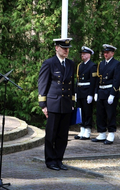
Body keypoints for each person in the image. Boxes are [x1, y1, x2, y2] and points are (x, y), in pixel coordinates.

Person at [38, 38, 75, 171]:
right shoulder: (49, 63)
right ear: (56, 48)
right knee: (51, 134)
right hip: (53, 103)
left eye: (67, 48)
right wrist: (43, 104)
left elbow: (72, 85)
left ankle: (59, 159)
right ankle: (50, 161)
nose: (66, 51)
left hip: (65, 104)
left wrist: (72, 102)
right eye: (63, 48)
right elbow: (42, 83)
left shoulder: (70, 64)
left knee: (63, 135)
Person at [92, 44, 120, 145]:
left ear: (112, 53)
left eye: (107, 52)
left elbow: (117, 80)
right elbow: (97, 79)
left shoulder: (116, 64)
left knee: (110, 114)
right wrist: (96, 92)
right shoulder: (101, 64)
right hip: (101, 91)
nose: (105, 54)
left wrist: (113, 93)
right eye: (104, 52)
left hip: (109, 91)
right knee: (100, 114)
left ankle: (111, 133)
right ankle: (101, 133)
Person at [74, 46, 97, 140]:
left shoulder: (92, 66)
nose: (82, 55)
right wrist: (75, 92)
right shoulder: (80, 65)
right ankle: (82, 128)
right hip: (80, 90)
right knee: (80, 111)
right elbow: (77, 79)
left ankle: (87, 129)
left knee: (87, 111)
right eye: (82, 54)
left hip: (87, 91)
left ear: (89, 55)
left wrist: (91, 94)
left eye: (84, 54)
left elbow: (93, 81)